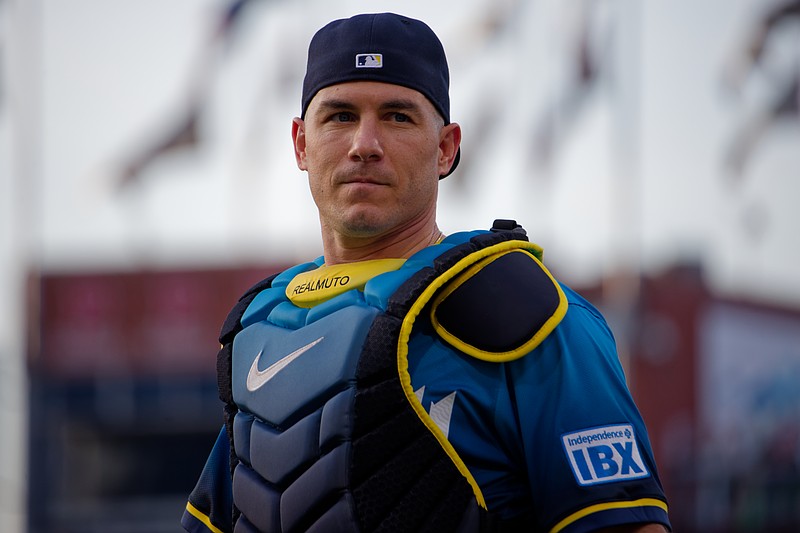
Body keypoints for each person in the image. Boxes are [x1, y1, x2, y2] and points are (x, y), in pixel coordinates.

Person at [182, 12, 671, 533]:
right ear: (301, 143)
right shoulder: (261, 331)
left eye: (397, 117)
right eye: (340, 116)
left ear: (446, 148)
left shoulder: (525, 316)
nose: (364, 144)